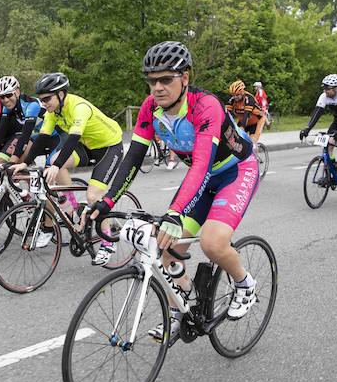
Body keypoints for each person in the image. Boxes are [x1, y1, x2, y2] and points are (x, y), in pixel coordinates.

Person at [91, 41, 259, 340]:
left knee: (212, 243)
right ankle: (182, 307)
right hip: (202, 177)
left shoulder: (205, 105)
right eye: (151, 80)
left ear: (185, 77)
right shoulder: (149, 108)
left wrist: (174, 213)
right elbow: (133, 159)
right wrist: (106, 201)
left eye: (166, 79)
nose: (157, 87)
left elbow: (202, 165)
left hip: (234, 171)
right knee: (166, 249)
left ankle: (245, 285)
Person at [13, 73, 124, 266]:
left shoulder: (78, 107)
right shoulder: (52, 112)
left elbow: (72, 139)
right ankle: (71, 208)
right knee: (55, 159)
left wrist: (55, 167)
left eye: (47, 99)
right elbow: (41, 138)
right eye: (41, 99)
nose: (44, 103)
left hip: (109, 147)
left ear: (61, 94)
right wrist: (25, 162)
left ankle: (108, 243)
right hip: (88, 146)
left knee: (92, 197)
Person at [0, 75, 44, 165]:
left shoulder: (31, 105)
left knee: (6, 163)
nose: (6, 100)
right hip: (34, 135)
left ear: (17, 92)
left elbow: (25, 135)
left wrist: (13, 161)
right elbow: (0, 132)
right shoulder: (7, 108)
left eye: (8, 95)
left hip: (49, 135)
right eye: (2, 97)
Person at [226, 80, 265, 144]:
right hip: (244, 121)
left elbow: (247, 114)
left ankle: (255, 150)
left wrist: (242, 127)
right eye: (233, 95)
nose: (235, 97)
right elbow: (227, 113)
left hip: (256, 121)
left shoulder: (249, 98)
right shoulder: (232, 100)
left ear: (242, 92)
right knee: (235, 141)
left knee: (252, 142)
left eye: (237, 95)